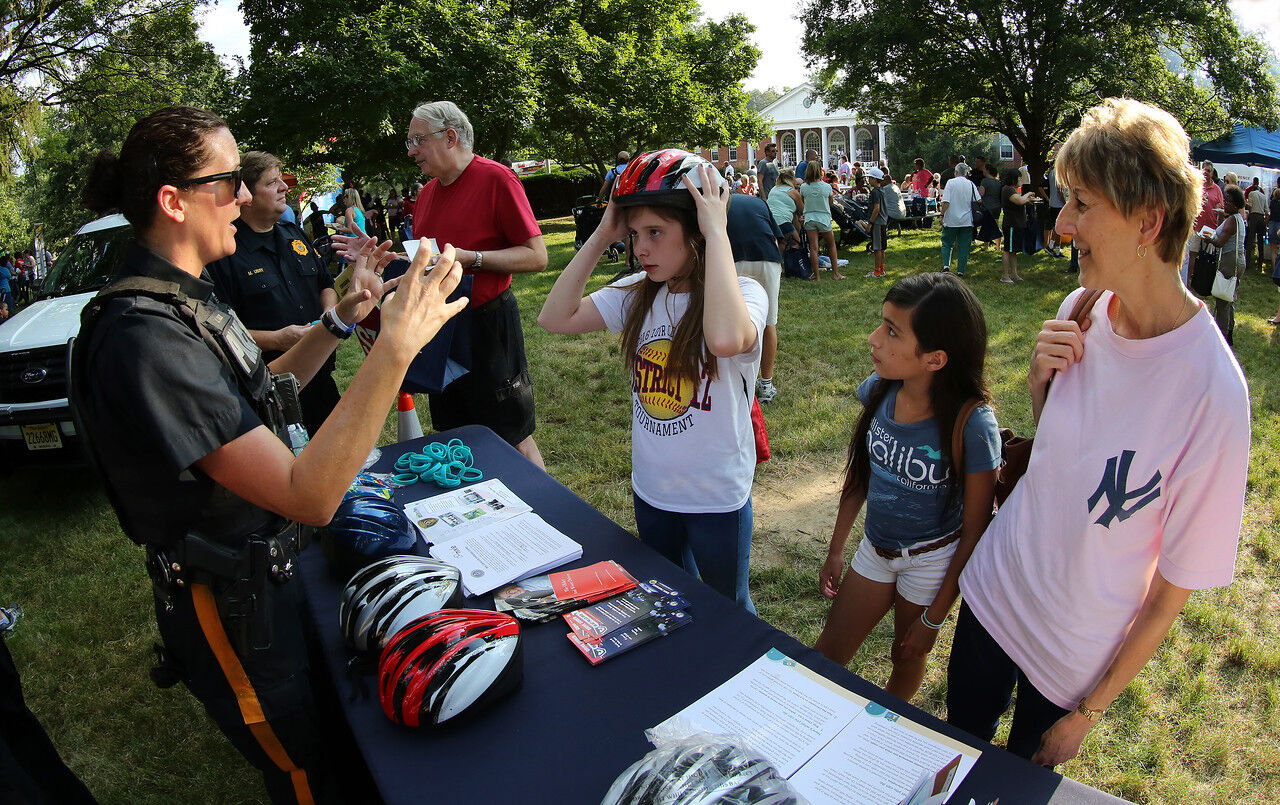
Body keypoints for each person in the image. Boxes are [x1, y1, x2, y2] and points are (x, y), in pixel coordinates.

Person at [71, 106, 467, 803]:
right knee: (310, 771)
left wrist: (342, 319)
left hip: (272, 578)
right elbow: (306, 491)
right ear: (172, 200)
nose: (247, 196)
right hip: (232, 608)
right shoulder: (144, 335)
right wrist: (397, 349)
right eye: (228, 181)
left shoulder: (184, 301)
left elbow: (264, 397)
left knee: (343, 743)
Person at [946, 98, 1250, 768]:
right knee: (953, 757)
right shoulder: (1078, 310)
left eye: (1081, 204)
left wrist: (1088, 714)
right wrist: (1038, 386)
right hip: (997, 594)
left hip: (1071, 655)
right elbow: (1062, 457)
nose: (1060, 225)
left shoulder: (1213, 393)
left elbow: (1173, 586)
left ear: (1148, 221)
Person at [538, 150, 767, 612]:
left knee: (728, 607)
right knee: (670, 599)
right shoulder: (635, 294)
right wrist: (604, 234)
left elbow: (725, 339)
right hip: (653, 490)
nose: (639, 249)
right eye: (635, 234)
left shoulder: (744, 295)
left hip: (715, 497)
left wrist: (716, 232)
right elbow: (554, 317)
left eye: (656, 233)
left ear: (699, 231)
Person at [815, 273, 999, 700]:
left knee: (907, 656)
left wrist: (934, 620)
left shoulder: (973, 425)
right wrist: (838, 547)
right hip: (875, 550)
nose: (873, 338)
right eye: (882, 323)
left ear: (935, 359)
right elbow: (860, 474)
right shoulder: (880, 390)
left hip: (931, 561)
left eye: (892, 331)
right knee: (824, 657)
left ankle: (884, 734)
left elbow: (974, 531)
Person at [403, 100, 548, 467]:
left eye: (417, 140)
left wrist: (475, 259)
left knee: (511, 436)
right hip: (444, 328)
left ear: (450, 136)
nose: (411, 151)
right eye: (409, 142)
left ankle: (545, 516)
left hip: (488, 325)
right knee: (455, 437)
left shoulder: (496, 178)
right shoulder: (425, 194)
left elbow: (537, 256)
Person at [206, 151, 342, 437]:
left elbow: (325, 282)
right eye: (272, 182)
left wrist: (328, 315)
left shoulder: (293, 233)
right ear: (247, 194)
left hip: (320, 376)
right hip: (270, 393)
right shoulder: (226, 253)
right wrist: (277, 339)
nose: (284, 187)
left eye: (282, 179)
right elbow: (218, 329)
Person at [726, 192, 784, 404]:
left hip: (733, 259)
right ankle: (766, 384)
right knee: (769, 323)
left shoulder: (717, 201)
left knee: (731, 322)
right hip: (768, 258)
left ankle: (735, 382)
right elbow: (779, 237)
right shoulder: (759, 202)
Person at [1207, 187, 1246, 345]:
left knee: (1222, 298)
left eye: (1228, 201)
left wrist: (1208, 239)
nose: (1225, 204)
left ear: (1236, 204)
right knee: (1229, 297)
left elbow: (1219, 242)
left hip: (1229, 261)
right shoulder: (1237, 218)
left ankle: (1222, 338)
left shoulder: (1232, 220)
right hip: (1237, 260)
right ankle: (1228, 332)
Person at [800, 161, 845, 281]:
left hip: (809, 218)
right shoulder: (827, 187)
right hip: (823, 217)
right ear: (820, 171)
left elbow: (803, 201)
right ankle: (836, 274)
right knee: (831, 245)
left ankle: (817, 276)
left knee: (814, 248)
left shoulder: (804, 187)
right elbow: (830, 203)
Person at [1182, 162, 1223, 284]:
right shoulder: (1197, 186)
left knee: (1207, 255)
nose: (1206, 173)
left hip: (1210, 227)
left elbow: (1221, 207)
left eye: (1209, 171)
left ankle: (1204, 280)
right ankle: (1189, 279)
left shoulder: (1217, 189)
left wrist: (1219, 208)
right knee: (1192, 254)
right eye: (1204, 171)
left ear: (1212, 173)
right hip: (1196, 227)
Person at [939, 163, 980, 276]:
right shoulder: (971, 184)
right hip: (967, 220)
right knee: (964, 246)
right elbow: (978, 200)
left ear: (956, 172)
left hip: (951, 219)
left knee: (947, 243)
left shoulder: (951, 183)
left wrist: (942, 215)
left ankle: (946, 266)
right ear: (966, 173)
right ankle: (961, 270)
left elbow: (946, 201)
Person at [1000, 168, 1033, 283]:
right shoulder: (1007, 189)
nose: (1021, 181)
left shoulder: (1012, 190)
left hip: (1017, 223)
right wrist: (1028, 194)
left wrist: (1027, 200)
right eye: (1019, 179)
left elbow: (1019, 201)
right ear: (1013, 179)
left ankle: (1014, 274)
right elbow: (1018, 201)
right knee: (1008, 249)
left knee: (1013, 250)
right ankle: (1005, 276)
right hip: (1011, 224)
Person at [767, 167, 803, 251]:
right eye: (794, 177)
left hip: (770, 220)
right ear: (790, 179)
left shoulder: (774, 189)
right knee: (796, 242)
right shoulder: (793, 192)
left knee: (779, 242)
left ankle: (779, 261)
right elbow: (802, 210)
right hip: (782, 221)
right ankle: (790, 261)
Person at [865, 167, 890, 278]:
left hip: (878, 222)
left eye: (870, 178)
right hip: (883, 221)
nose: (869, 180)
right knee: (882, 248)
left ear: (875, 179)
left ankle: (877, 271)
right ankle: (881, 269)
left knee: (877, 248)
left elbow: (876, 208)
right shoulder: (882, 190)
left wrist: (870, 222)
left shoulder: (875, 192)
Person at [975, 163, 1003, 252]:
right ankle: (998, 247)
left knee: (987, 226)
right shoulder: (998, 182)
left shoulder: (985, 181)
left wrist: (977, 190)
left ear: (987, 170)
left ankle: (986, 246)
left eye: (984, 169)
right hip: (997, 207)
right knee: (995, 225)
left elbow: (981, 193)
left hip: (987, 207)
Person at [1246, 178, 1267, 270]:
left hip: (1254, 216)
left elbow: (1250, 206)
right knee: (1260, 241)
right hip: (1261, 217)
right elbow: (1266, 210)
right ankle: (1260, 262)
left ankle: (1247, 262)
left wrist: (1249, 217)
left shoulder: (1251, 193)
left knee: (1250, 240)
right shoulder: (1263, 196)